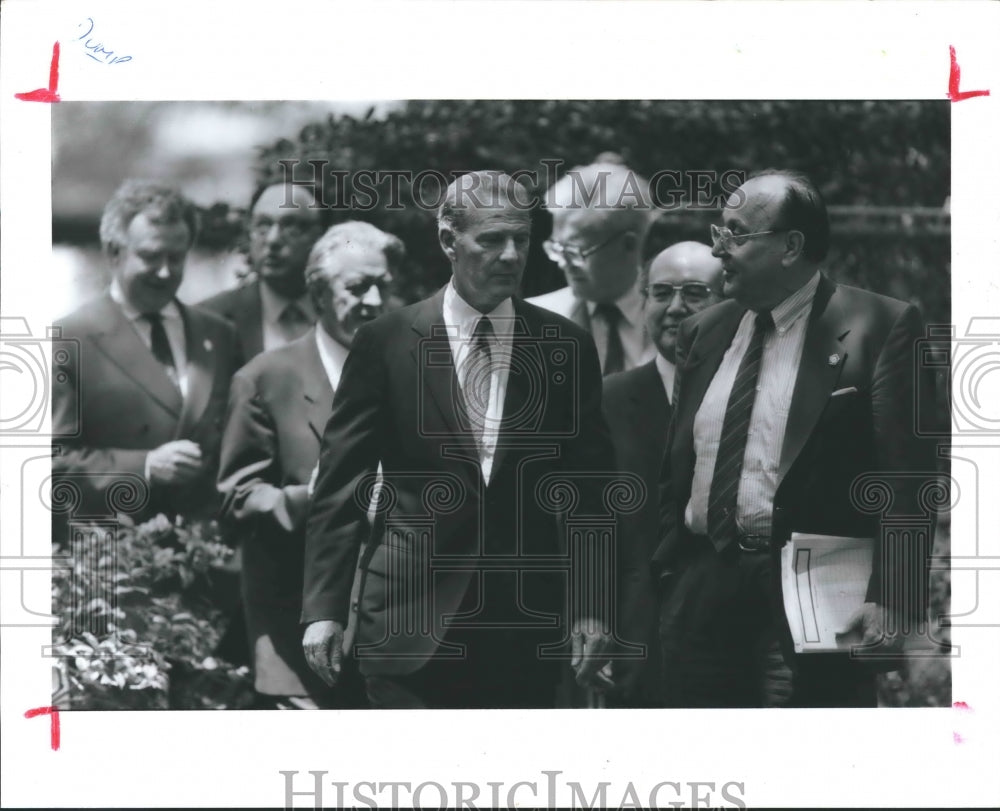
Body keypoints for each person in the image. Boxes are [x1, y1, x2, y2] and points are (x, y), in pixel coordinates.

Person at [301, 171, 617, 709]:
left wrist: (591, 606)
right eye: (491, 239)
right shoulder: (387, 342)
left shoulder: (564, 345)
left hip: (524, 630)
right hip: (407, 624)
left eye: (521, 238)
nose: (512, 255)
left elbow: (590, 489)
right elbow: (342, 482)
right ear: (448, 241)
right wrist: (324, 609)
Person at [654, 170, 938, 707]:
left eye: (735, 234)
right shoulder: (704, 330)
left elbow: (910, 477)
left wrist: (892, 596)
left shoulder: (878, 324)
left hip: (814, 593)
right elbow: (678, 465)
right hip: (699, 589)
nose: (719, 250)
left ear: (790, 246)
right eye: (719, 231)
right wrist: (669, 570)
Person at [217, 222, 403, 710]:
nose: (376, 300)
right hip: (298, 644)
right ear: (319, 292)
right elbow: (235, 501)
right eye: (358, 287)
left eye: (384, 284)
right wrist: (309, 499)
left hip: (400, 642)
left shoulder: (416, 369)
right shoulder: (264, 379)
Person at [52, 180, 240, 522]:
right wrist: (145, 466)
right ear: (113, 252)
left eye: (176, 257)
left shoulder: (219, 335)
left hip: (207, 556)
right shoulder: (68, 338)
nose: (165, 272)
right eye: (151, 256)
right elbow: (50, 464)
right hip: (110, 558)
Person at [603, 242, 723, 707]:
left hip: (741, 644)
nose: (675, 308)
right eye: (661, 293)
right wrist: (592, 622)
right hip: (638, 643)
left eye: (695, 292)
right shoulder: (606, 401)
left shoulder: (760, 395)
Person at [527, 160, 656, 375]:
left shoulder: (676, 323)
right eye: (558, 248)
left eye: (576, 252)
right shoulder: (530, 322)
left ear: (629, 244)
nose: (562, 263)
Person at [199, 182, 325, 360]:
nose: (273, 240)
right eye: (263, 226)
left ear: (318, 236)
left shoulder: (344, 315)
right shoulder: (211, 318)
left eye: (291, 227)